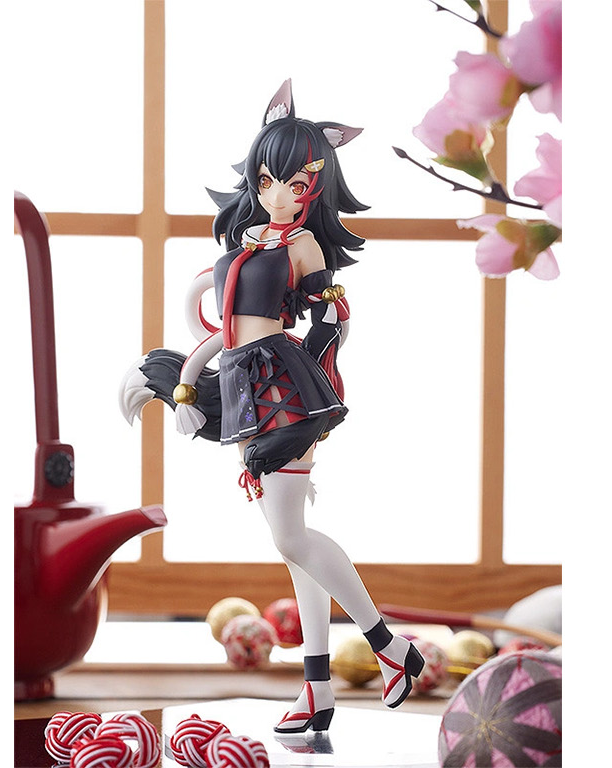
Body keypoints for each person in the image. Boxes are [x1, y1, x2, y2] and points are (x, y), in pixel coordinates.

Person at [120, 80, 422, 733]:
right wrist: (184, 385)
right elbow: (224, 330)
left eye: (297, 184)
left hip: (283, 387)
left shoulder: (303, 247)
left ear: (316, 189)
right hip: (243, 386)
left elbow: (332, 320)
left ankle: (390, 647)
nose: (279, 195)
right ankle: (318, 688)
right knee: (292, 548)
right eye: (267, 180)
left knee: (290, 536)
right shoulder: (249, 238)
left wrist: (314, 377)